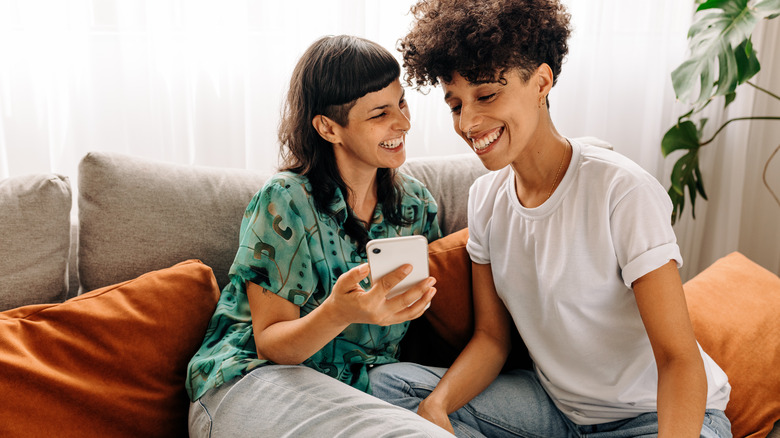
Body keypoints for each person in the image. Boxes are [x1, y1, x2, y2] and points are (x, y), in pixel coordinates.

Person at [368, 1, 732, 437]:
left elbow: (678, 359)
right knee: (387, 386)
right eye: (455, 105)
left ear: (541, 81)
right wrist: (436, 407)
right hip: (557, 412)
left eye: (486, 95)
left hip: (653, 416)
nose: (468, 122)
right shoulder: (486, 198)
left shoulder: (622, 191)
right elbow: (492, 339)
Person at [185, 35, 450, 437]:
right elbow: (271, 345)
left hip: (356, 387)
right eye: (380, 113)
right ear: (329, 128)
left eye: (402, 103)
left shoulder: (415, 204)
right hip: (251, 379)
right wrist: (341, 312)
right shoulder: (285, 200)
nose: (403, 122)